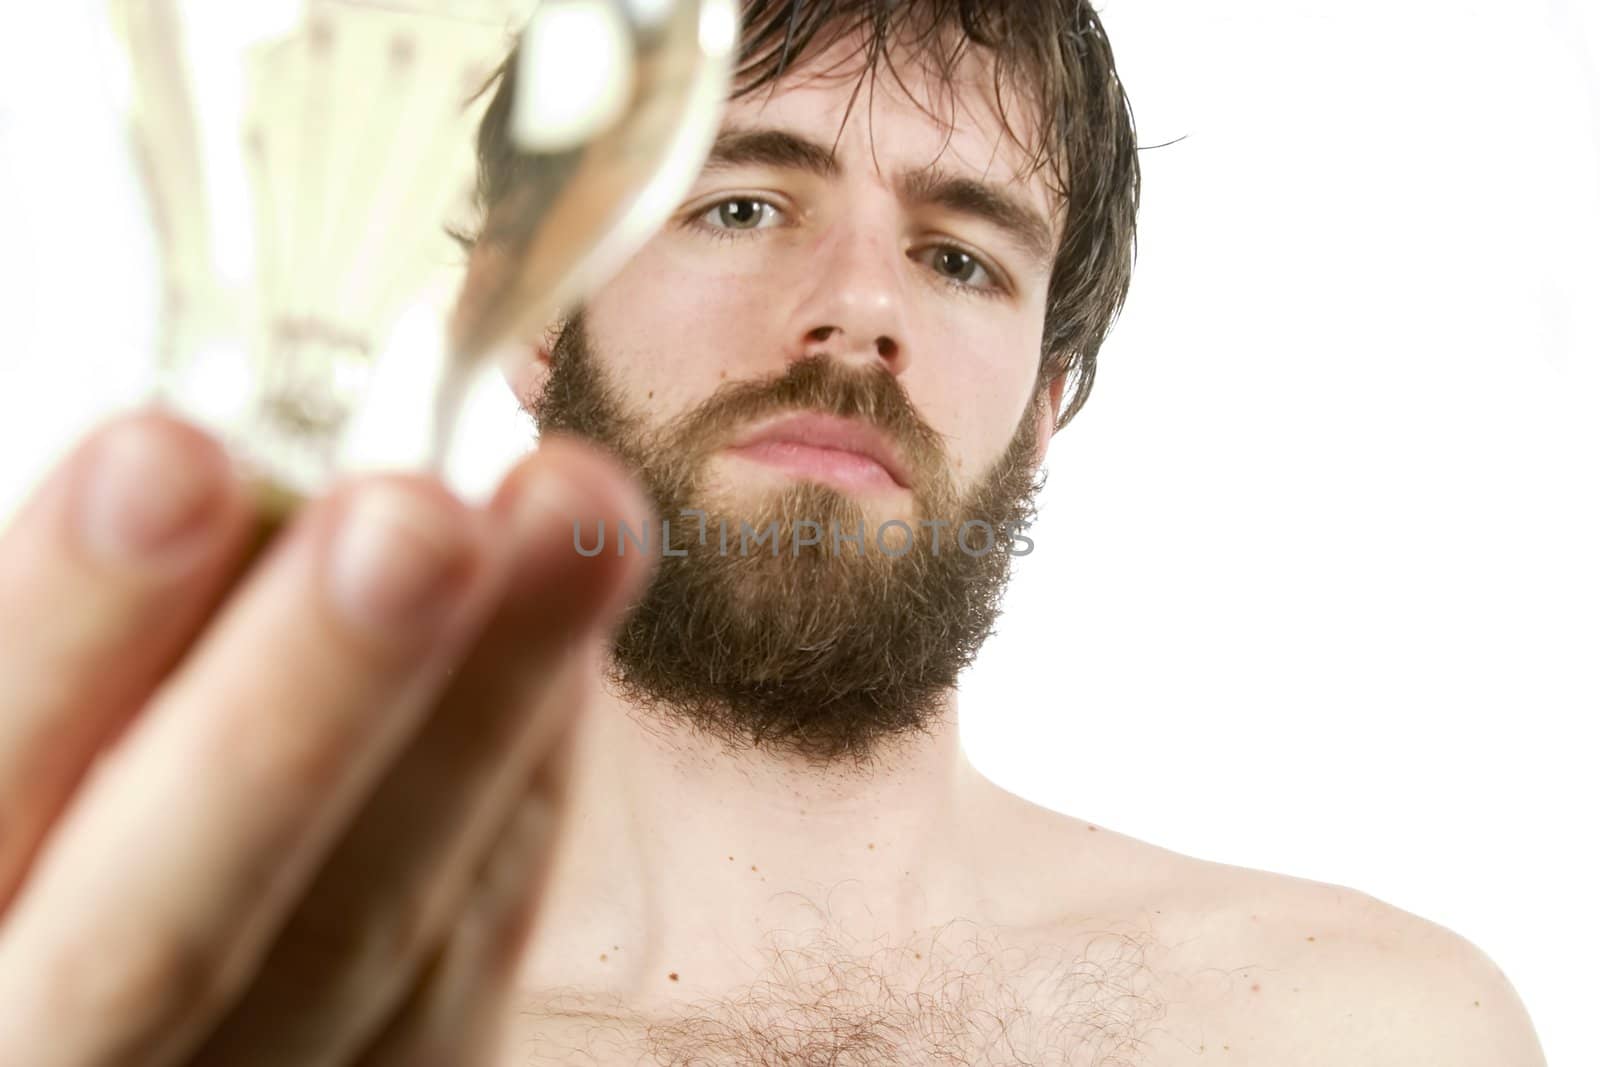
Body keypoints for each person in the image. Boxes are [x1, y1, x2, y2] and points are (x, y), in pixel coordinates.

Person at [0, 2, 1547, 1064]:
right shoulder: (246, 1013)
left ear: (1042, 405)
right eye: (741, 204)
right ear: (531, 316)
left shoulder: (1363, 1029)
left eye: (957, 257)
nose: (859, 310)